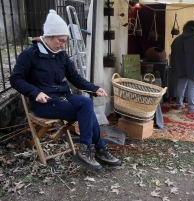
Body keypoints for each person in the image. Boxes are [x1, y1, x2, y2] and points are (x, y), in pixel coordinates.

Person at [10, 10, 121, 171]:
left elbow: (75, 79)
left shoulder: (61, 55)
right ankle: (98, 148)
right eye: (60, 40)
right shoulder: (29, 54)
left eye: (65, 41)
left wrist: (94, 88)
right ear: (48, 36)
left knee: (85, 102)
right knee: (86, 111)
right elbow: (15, 79)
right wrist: (35, 92)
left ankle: (87, 150)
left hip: (62, 96)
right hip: (44, 102)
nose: (63, 45)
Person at [170, 20, 194, 114]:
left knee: (181, 85)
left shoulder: (177, 39)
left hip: (180, 68)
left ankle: (179, 104)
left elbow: (173, 55)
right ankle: (192, 108)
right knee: (192, 88)